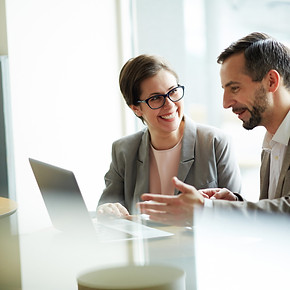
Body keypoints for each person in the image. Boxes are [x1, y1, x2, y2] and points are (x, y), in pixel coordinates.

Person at [138, 32, 290, 226]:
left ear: (271, 81)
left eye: (234, 88)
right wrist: (233, 204)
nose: (226, 103)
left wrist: (207, 210)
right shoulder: (273, 141)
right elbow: (275, 215)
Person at [97, 54, 242, 219]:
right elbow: (107, 206)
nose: (170, 105)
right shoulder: (123, 150)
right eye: (156, 98)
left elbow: (237, 213)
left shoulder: (215, 142)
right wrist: (108, 209)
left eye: (173, 92)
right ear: (136, 109)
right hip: (145, 244)